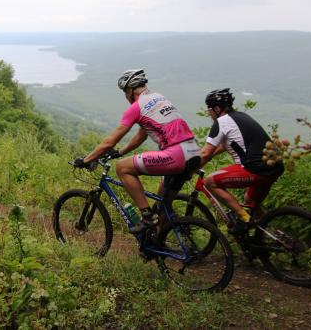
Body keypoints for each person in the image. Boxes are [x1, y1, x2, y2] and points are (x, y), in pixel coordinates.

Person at [74, 69, 201, 233]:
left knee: (122, 168)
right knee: (163, 202)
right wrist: (120, 152)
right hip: (194, 152)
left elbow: (109, 142)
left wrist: (86, 160)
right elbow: (141, 136)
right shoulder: (158, 97)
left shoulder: (136, 107)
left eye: (124, 92)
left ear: (130, 90)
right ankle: (159, 243)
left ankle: (147, 216)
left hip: (176, 155)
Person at [200, 88, 284, 234]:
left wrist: (188, 169)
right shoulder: (240, 116)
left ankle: (244, 218)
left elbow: (205, 153)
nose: (209, 112)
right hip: (274, 166)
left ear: (217, 108)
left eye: (209, 109)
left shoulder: (221, 122)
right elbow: (224, 145)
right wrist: (210, 155)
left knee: (209, 182)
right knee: (251, 202)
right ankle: (271, 236)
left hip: (255, 169)